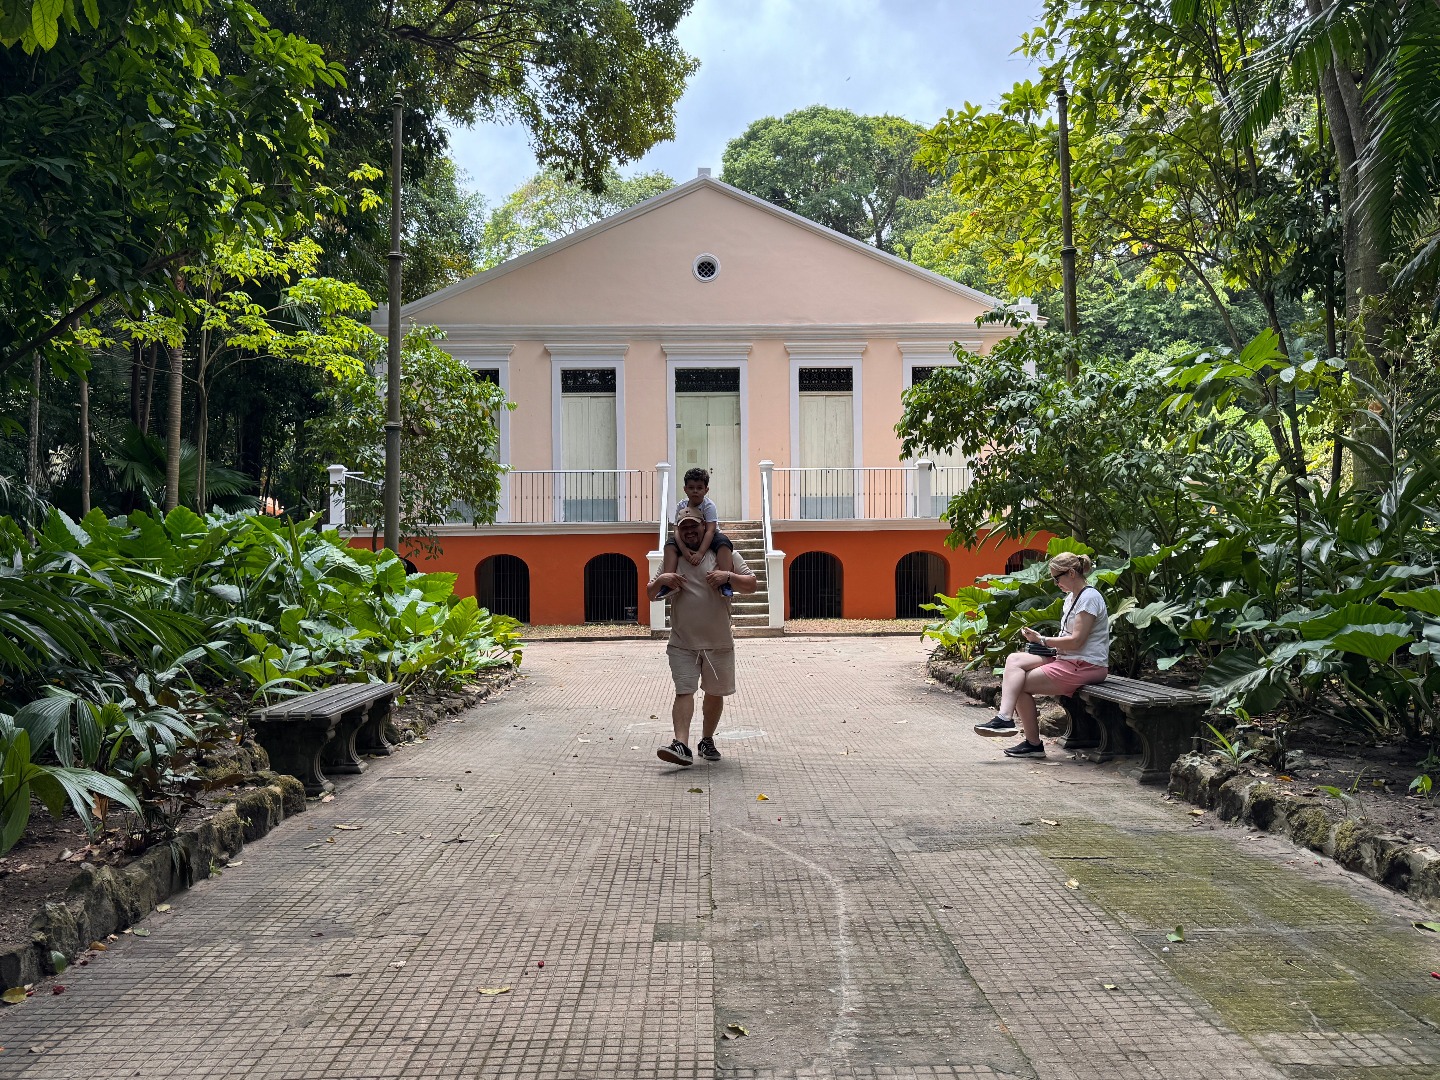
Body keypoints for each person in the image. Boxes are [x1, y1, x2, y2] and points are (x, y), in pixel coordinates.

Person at [646, 506, 757, 767]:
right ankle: (681, 745)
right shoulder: (672, 558)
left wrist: (727, 575)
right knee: (684, 691)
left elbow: (751, 584)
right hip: (682, 642)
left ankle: (706, 740)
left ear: (703, 527)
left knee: (714, 693)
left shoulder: (722, 554)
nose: (689, 531)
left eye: (693, 526)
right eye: (683, 527)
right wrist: (663, 577)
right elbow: (651, 593)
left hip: (718, 642)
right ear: (678, 531)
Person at [972, 552, 1110, 758]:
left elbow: (1077, 641)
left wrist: (1042, 640)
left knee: (1018, 684)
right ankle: (1005, 718)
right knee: (1014, 660)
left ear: (1071, 573)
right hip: (1067, 658)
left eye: (1057, 578)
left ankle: (1031, 742)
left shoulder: (1089, 598)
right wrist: (1042, 644)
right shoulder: (1072, 598)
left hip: (1085, 665)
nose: (1055, 583)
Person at [662, 467, 735, 597]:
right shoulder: (681, 505)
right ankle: (668, 582)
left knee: (724, 543)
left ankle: (725, 581)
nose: (695, 491)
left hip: (709, 536)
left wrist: (700, 553)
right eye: (691, 487)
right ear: (685, 489)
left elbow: (710, 530)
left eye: (699, 488)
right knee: (669, 546)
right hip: (687, 536)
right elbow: (676, 528)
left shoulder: (709, 506)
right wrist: (683, 550)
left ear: (706, 490)